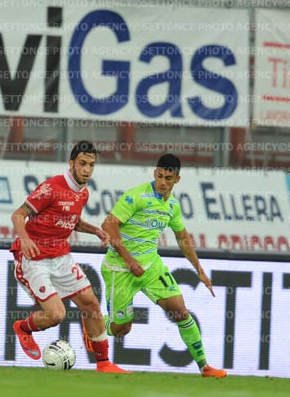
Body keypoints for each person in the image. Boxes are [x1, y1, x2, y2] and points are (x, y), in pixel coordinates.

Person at [94, 153, 226, 379]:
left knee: (180, 311)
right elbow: (108, 224)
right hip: (120, 268)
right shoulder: (136, 196)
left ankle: (205, 367)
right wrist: (129, 260)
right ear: (155, 173)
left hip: (151, 267)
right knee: (121, 329)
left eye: (168, 178)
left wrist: (200, 271)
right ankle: (95, 327)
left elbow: (182, 237)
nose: (162, 182)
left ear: (177, 179)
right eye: (160, 176)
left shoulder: (172, 205)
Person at [10, 141, 128, 373]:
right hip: (34, 258)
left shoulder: (83, 193)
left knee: (90, 303)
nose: (87, 169)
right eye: (82, 163)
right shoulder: (51, 188)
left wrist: (95, 230)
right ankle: (23, 328)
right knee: (56, 315)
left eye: (91, 165)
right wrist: (24, 239)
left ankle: (104, 363)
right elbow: (18, 215)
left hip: (61, 256)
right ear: (71, 163)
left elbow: (71, 220)